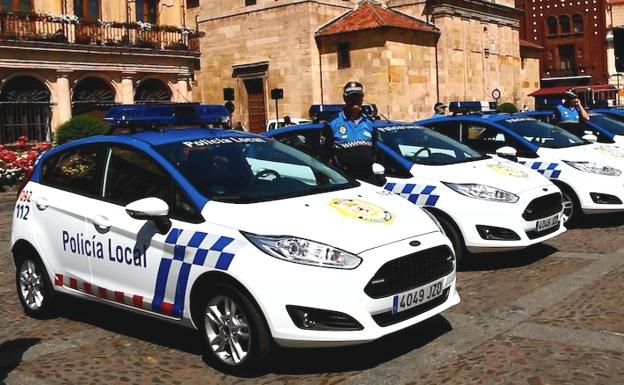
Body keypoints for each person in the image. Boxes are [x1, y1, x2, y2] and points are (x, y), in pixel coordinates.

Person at [321, 81, 376, 182]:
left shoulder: (369, 123)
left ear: (362, 98)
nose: (355, 100)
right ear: (345, 98)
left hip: (368, 179)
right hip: (344, 180)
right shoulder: (333, 123)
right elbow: (324, 155)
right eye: (352, 97)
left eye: (358, 97)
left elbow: (375, 152)